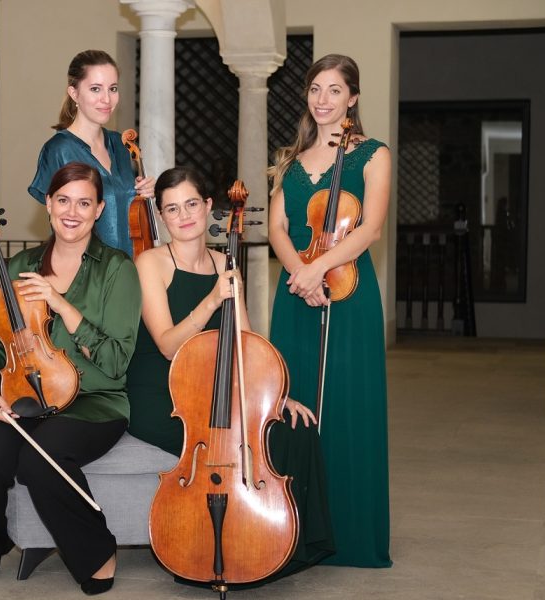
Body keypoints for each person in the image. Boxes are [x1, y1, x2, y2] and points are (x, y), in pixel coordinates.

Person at [126, 166, 334, 584]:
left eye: (190, 204)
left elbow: (246, 343)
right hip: (165, 393)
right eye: (171, 209)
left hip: (217, 385)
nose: (183, 216)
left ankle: (282, 548)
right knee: (224, 444)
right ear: (162, 218)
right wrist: (210, 300)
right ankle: (213, 549)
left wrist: (275, 397)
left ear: (207, 208)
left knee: (296, 429)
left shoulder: (226, 263)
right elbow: (168, 345)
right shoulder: (150, 263)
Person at [0, 162, 142, 595]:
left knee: (41, 463)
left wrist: (63, 305)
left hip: (94, 402)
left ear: (99, 210)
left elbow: (117, 360)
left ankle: (97, 549)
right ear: (48, 203)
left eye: (84, 202)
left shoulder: (117, 270)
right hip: (25, 397)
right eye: (63, 200)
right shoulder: (22, 265)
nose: (72, 211)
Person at [267, 54, 393, 568]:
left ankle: (351, 535)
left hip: (349, 293)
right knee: (293, 403)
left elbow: (370, 230)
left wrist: (320, 270)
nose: (323, 100)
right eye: (315, 89)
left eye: (334, 90)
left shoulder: (373, 155)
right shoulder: (292, 161)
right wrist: (301, 272)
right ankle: (296, 531)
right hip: (295, 294)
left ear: (353, 98)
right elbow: (277, 228)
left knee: (346, 408)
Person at [29, 50, 154, 257]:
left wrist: (145, 194)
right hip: (86, 273)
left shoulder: (120, 144)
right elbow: (62, 222)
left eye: (113, 89)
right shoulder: (59, 149)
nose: (107, 99)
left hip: (129, 270)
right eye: (96, 89)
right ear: (74, 93)